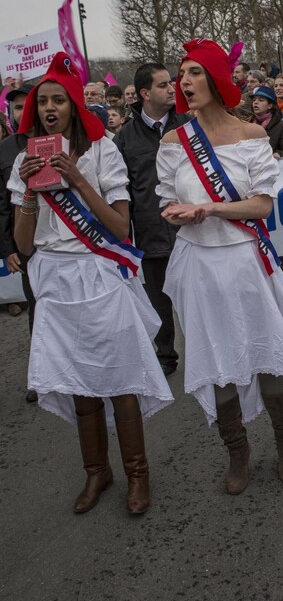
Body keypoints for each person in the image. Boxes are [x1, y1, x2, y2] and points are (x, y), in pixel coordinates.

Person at [8, 53, 173, 514]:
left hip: (99, 270)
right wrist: (28, 195)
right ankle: (96, 473)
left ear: (75, 103)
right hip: (56, 280)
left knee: (119, 377)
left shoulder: (102, 150)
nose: (49, 108)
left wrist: (77, 179)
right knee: (79, 380)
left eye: (59, 99)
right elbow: (24, 246)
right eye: (43, 102)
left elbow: (120, 229)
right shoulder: (26, 159)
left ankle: (138, 474)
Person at [156, 38, 283, 494]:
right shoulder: (172, 142)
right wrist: (181, 212)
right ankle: (237, 452)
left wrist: (211, 210)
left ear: (218, 80)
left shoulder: (252, 136)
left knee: (267, 358)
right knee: (217, 360)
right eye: (182, 74)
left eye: (195, 72)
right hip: (199, 265)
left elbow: (261, 206)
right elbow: (167, 201)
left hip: (243, 261)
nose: (185, 81)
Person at [115, 62, 186, 377]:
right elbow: (122, 192)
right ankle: (166, 354)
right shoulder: (125, 138)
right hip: (150, 234)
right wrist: (125, 239)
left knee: (195, 297)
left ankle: (204, 349)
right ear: (144, 93)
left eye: (171, 83)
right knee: (159, 300)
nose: (172, 88)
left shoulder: (188, 125)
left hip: (190, 231)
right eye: (162, 85)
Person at [0, 83, 37, 350]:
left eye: (27, 105)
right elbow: (2, 203)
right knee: (37, 306)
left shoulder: (63, 141)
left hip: (64, 240)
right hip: (25, 243)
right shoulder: (5, 149)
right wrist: (7, 247)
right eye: (16, 107)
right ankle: (43, 376)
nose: (21, 112)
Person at [248, 85, 283, 159]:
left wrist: (278, 154)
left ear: (269, 105)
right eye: (254, 100)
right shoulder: (247, 122)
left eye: (261, 100)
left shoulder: (281, 125)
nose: (255, 102)